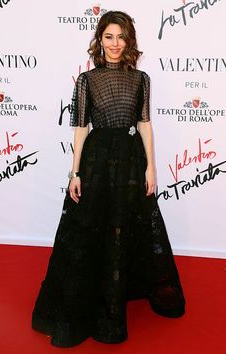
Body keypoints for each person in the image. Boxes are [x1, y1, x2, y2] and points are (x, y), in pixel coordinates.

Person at [32, 10, 185, 348]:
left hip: (131, 160)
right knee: (91, 227)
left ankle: (119, 291)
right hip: (97, 160)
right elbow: (80, 128)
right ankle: (90, 296)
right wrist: (74, 172)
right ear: (99, 41)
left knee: (125, 225)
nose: (115, 44)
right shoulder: (87, 81)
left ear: (129, 40)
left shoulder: (142, 79)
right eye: (109, 37)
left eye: (121, 37)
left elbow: (144, 123)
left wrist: (152, 168)